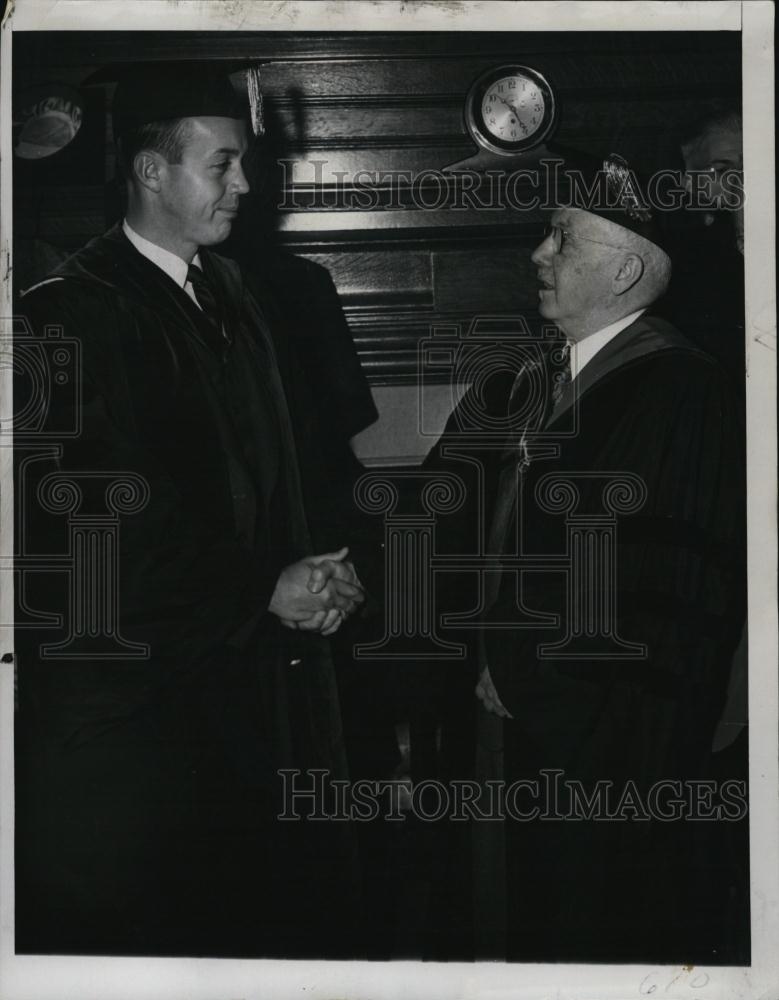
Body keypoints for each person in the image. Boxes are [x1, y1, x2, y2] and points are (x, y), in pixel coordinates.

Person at [14, 62, 366, 958]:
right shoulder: (65, 317)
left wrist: (318, 570)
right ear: (150, 170)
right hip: (133, 719)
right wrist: (263, 587)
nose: (246, 185)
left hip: (239, 687)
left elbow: (279, 474)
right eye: (223, 164)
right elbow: (89, 532)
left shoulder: (231, 295)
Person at [474, 154, 747, 964]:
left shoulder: (682, 395)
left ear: (625, 267)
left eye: (561, 236)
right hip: (550, 717)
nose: (538, 254)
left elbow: (660, 598)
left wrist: (522, 674)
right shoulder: (555, 377)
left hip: (612, 746)